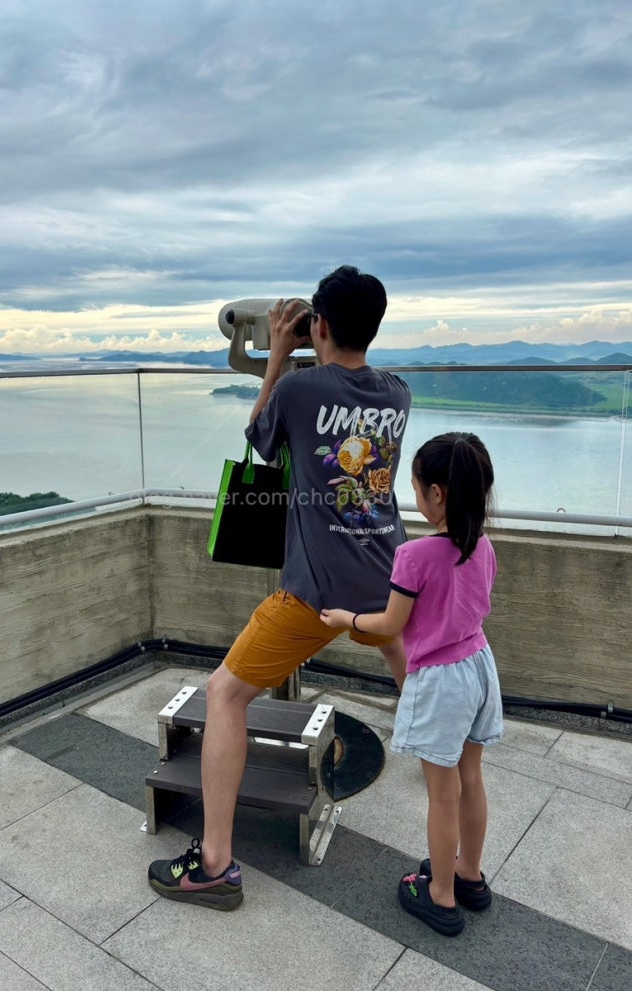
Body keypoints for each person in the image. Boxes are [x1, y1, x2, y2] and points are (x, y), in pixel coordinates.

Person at [147, 264, 412, 909]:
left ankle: (215, 864)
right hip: (390, 578)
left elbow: (261, 439)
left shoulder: (298, 390)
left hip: (316, 593)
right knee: (416, 680)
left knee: (225, 694)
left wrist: (276, 359)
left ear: (319, 325)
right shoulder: (398, 393)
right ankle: (450, 797)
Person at [320, 431, 503, 936]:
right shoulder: (483, 546)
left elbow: (389, 625)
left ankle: (440, 895)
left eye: (417, 488)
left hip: (443, 682)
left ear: (437, 494)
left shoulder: (415, 556)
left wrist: (346, 619)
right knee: (471, 779)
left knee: (442, 794)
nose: (414, 496)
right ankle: (468, 874)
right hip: (479, 666)